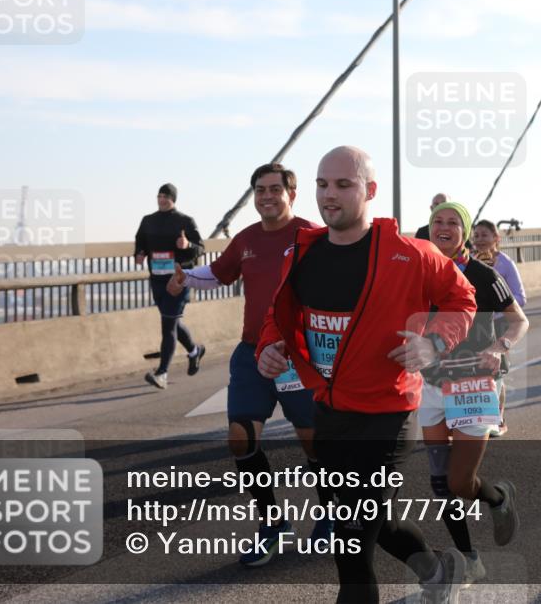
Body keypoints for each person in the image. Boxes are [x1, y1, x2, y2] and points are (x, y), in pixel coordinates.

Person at [255, 146, 479, 604]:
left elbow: (463, 299)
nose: (329, 195)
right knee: (376, 522)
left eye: (343, 185)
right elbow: (278, 316)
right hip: (330, 410)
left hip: (388, 414)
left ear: (370, 190)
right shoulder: (301, 254)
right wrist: (269, 348)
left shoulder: (410, 254)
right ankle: (440, 571)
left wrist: (433, 343)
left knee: (351, 544)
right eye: (322, 184)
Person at [167, 163, 331, 567]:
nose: (266, 196)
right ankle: (273, 523)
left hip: (298, 355)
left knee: (312, 439)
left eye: (275, 189)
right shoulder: (246, 239)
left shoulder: (313, 236)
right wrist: (185, 278)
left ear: (292, 194)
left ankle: (330, 513)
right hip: (252, 352)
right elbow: (218, 274)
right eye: (260, 190)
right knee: (240, 438)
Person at [418, 202, 529, 585]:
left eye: (453, 222)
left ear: (464, 232)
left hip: (474, 385)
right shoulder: (418, 271)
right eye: (438, 221)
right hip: (431, 385)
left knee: (459, 482)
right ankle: (469, 559)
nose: (444, 227)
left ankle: (497, 497)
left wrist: (500, 347)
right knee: (439, 482)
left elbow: (519, 321)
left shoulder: (483, 275)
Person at [134, 183, 206, 389]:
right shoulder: (148, 221)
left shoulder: (184, 221)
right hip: (157, 279)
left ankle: (162, 373)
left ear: (173, 199)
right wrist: (139, 253)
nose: (162, 199)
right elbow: (140, 241)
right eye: (159, 196)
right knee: (172, 321)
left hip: (178, 280)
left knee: (168, 324)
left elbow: (201, 248)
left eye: (166, 196)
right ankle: (195, 351)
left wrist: (188, 245)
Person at [471, 219, 527, 438]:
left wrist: (497, 307)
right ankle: (472, 416)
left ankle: (498, 418)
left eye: (484, 235)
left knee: (497, 371)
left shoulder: (505, 263)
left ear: (496, 238)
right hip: (476, 324)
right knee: (474, 368)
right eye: (476, 235)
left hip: (500, 322)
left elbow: (520, 297)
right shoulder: (469, 262)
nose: (479, 240)